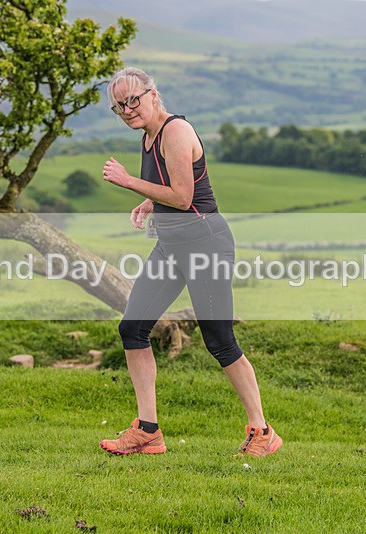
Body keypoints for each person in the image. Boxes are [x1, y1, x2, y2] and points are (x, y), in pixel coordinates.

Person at [98, 67, 282, 458]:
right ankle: (148, 431)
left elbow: (183, 197)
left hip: (205, 246)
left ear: (152, 94)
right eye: (119, 106)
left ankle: (262, 430)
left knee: (219, 340)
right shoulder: (149, 136)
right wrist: (151, 200)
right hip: (171, 246)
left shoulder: (176, 131)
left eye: (133, 99)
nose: (128, 109)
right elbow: (177, 185)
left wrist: (129, 181)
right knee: (132, 329)